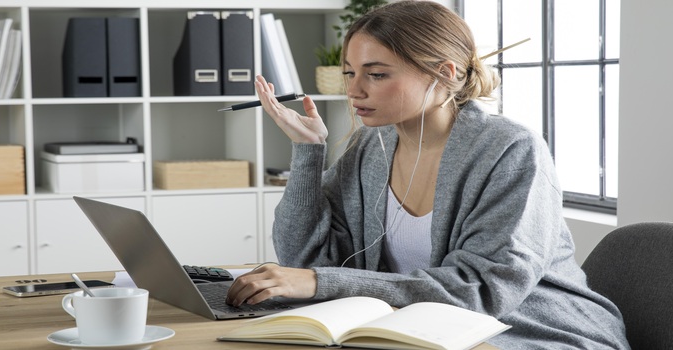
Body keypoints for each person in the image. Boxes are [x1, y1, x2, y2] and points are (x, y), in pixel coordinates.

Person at [225, 1, 629, 348]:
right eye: (350, 73)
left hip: (532, 333)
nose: (355, 90)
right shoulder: (372, 147)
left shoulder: (511, 150)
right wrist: (307, 152)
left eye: (377, 74)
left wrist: (318, 283)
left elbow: (482, 292)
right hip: (422, 332)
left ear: (445, 74)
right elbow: (305, 261)